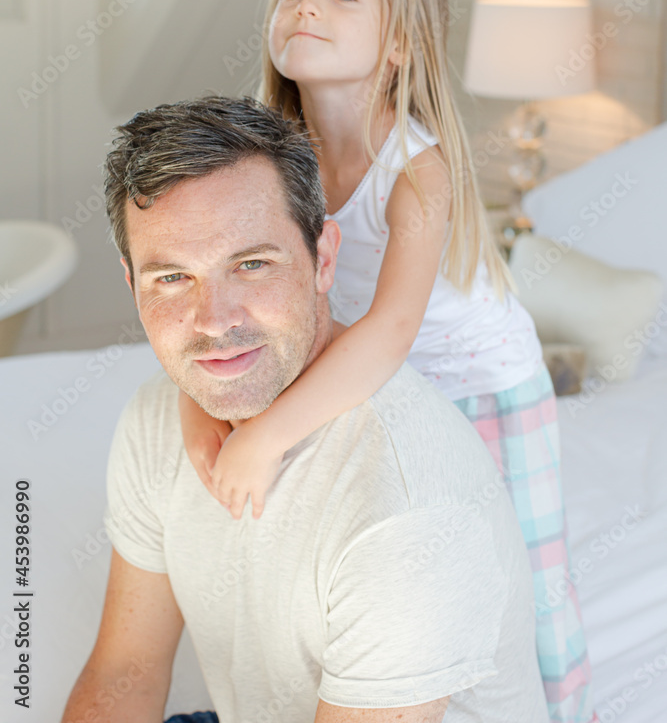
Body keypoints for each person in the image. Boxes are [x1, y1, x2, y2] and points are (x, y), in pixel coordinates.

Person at [180, 0, 596, 723]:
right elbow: (236, 288)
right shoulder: (272, 159)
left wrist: (264, 435)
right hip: (383, 382)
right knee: (389, 548)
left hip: (481, 387)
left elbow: (387, 332)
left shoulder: (418, 170)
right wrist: (205, 407)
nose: (307, 6)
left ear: (399, 43)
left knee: (522, 574)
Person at [60, 96, 548, 723]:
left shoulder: (407, 516)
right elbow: (125, 672)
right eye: (173, 278)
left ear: (323, 258)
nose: (215, 321)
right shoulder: (160, 413)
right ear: (132, 284)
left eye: (253, 264)